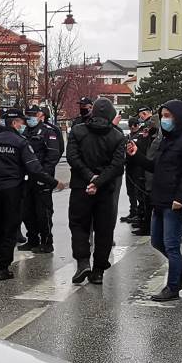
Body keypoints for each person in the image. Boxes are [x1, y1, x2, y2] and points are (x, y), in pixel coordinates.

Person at [146, 100, 182, 302]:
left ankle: (172, 287)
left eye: (168, 115)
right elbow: (156, 167)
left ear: (178, 116)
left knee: (171, 245)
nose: (164, 119)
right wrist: (136, 156)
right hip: (160, 199)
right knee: (156, 241)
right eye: (162, 115)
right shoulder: (166, 139)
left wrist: (180, 198)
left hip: (175, 201)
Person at [66, 97, 127, 285]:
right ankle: (99, 270)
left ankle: (83, 262)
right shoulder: (117, 136)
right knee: (104, 230)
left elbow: (72, 158)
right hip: (106, 189)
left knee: (78, 225)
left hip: (80, 186)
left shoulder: (77, 131)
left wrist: (89, 178)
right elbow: (117, 166)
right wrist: (99, 181)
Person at [0, 107, 45, 279]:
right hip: (13, 189)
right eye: (22, 123)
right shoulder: (20, 141)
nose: (24, 125)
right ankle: (3, 267)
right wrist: (52, 182)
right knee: (10, 228)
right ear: (15, 123)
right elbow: (33, 167)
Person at [21, 105, 64, 252]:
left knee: (43, 212)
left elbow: (53, 156)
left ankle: (47, 242)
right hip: (27, 178)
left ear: (40, 115)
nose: (30, 118)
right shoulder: (24, 130)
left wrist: (44, 176)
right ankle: (32, 239)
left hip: (42, 177)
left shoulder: (48, 131)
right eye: (28, 115)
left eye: (33, 115)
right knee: (27, 211)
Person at [125, 111, 158, 235]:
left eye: (150, 126)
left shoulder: (158, 138)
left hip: (149, 174)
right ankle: (143, 222)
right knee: (142, 198)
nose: (147, 128)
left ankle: (147, 226)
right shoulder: (147, 137)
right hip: (143, 170)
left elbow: (149, 155)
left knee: (147, 200)